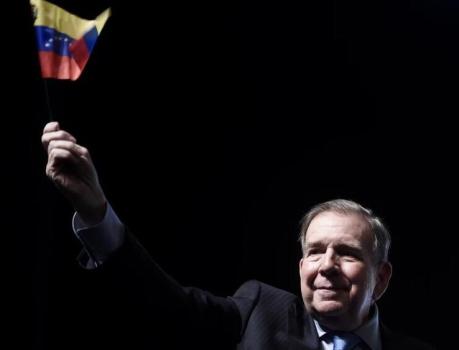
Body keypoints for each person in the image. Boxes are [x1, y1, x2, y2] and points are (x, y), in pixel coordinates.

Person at [41, 121, 435, 350]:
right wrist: (97, 212)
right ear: (301, 267)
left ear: (380, 278)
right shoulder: (258, 310)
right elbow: (167, 304)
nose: (326, 266)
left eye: (347, 253)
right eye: (315, 252)